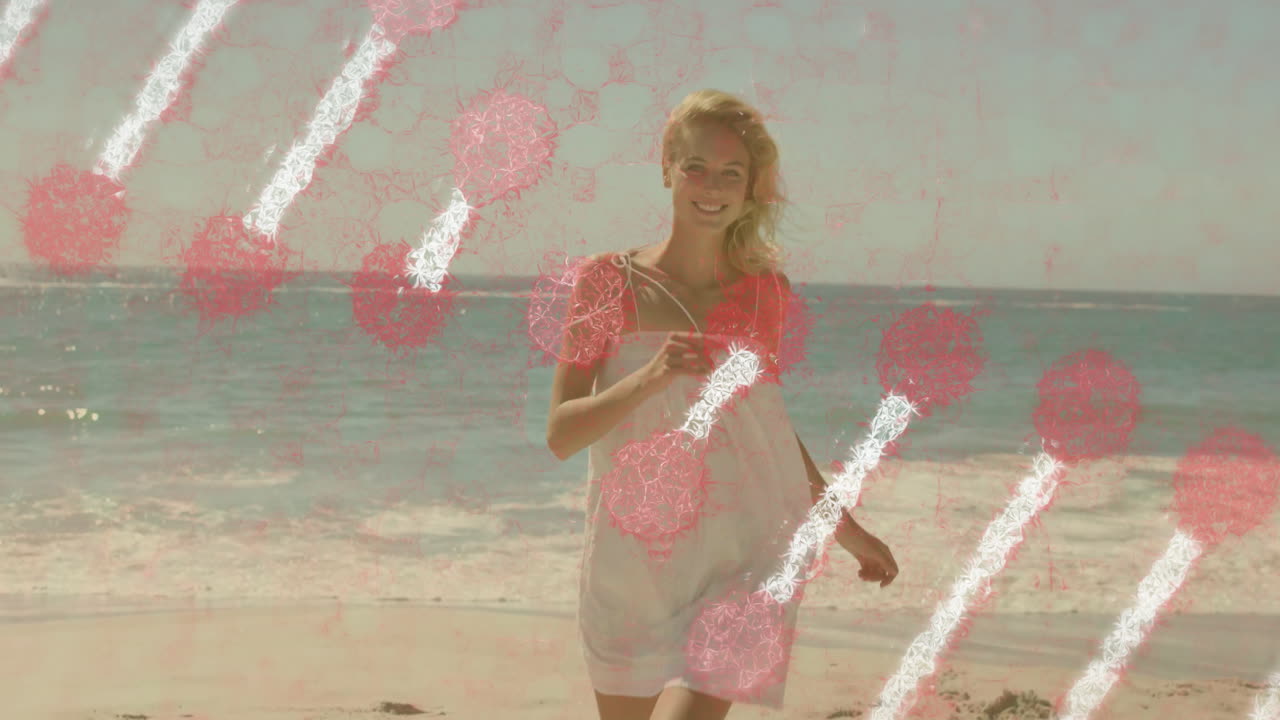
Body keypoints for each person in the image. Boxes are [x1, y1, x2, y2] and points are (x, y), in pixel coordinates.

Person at [546, 89, 898, 720]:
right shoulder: (607, 282)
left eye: (731, 173)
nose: (712, 186)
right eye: (696, 167)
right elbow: (562, 434)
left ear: (751, 188)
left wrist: (847, 530)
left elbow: (768, 434)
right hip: (633, 561)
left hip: (745, 552)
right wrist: (648, 380)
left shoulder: (766, 294)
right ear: (667, 168)